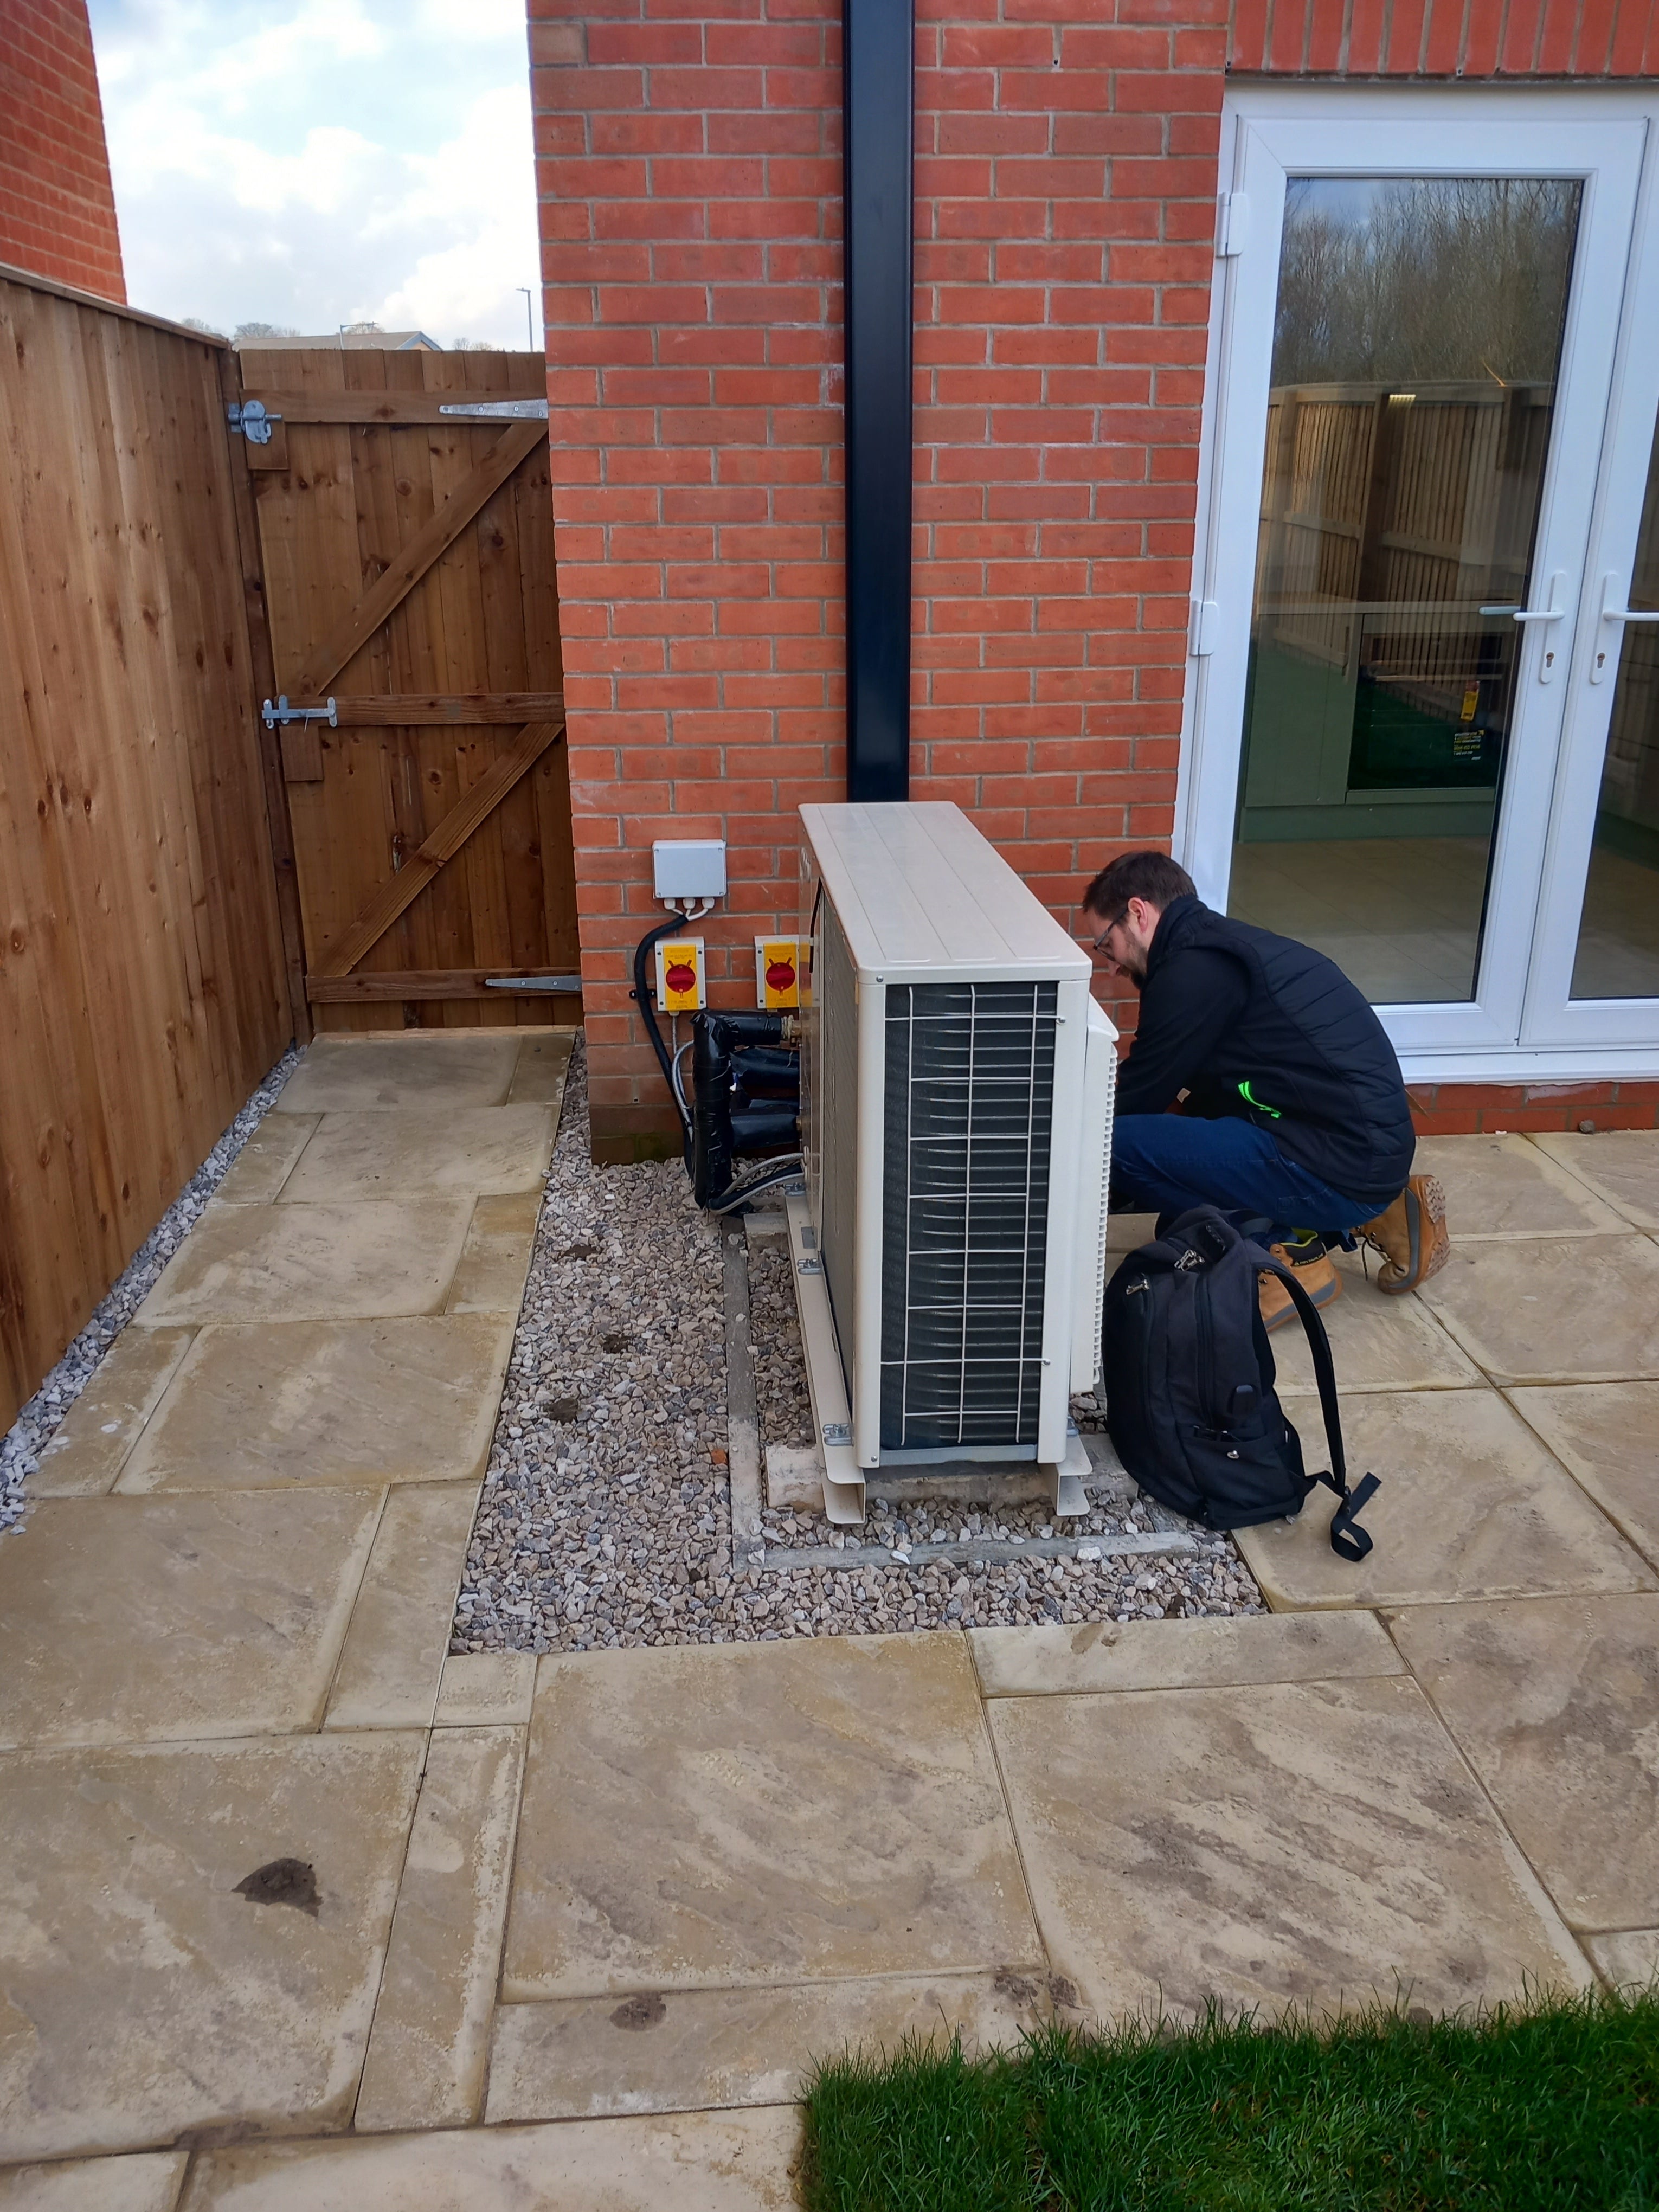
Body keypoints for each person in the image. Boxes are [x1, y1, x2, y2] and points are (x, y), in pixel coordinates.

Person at [1078, 850, 1450, 1328]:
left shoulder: (1190, 972)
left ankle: (1290, 1261)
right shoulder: (1224, 948)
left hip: (1342, 1159)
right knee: (1179, 1218)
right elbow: (1207, 1091)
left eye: (1106, 946)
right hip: (1364, 1150)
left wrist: (1057, 1141)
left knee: (1120, 1149)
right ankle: (1385, 1210)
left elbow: (1133, 1101)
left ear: (1139, 913)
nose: (1110, 967)